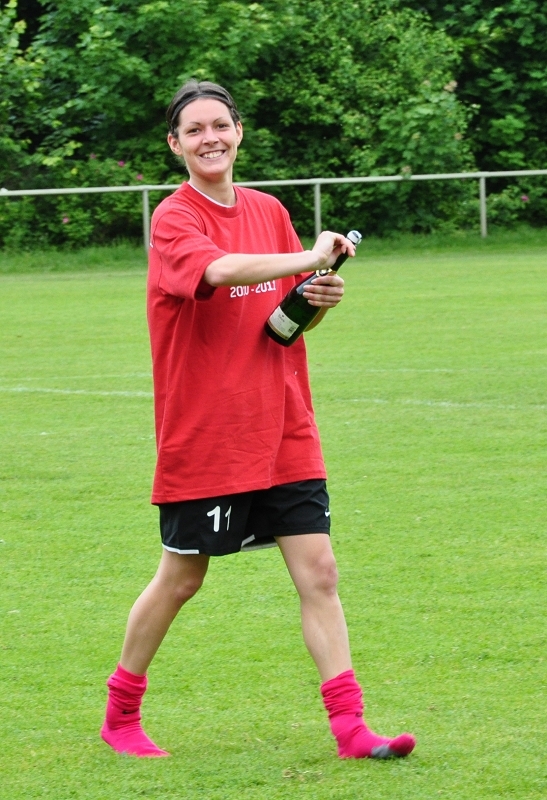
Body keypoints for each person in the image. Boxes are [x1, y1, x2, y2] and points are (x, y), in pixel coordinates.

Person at [100, 80, 416, 761]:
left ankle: (350, 727)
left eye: (220, 124)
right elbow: (218, 271)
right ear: (175, 144)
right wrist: (310, 257)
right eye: (194, 130)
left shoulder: (270, 210)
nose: (210, 138)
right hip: (209, 434)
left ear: (238, 131)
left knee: (320, 572)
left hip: (285, 426)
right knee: (183, 578)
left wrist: (316, 297)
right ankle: (120, 714)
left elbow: (281, 322)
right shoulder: (174, 218)